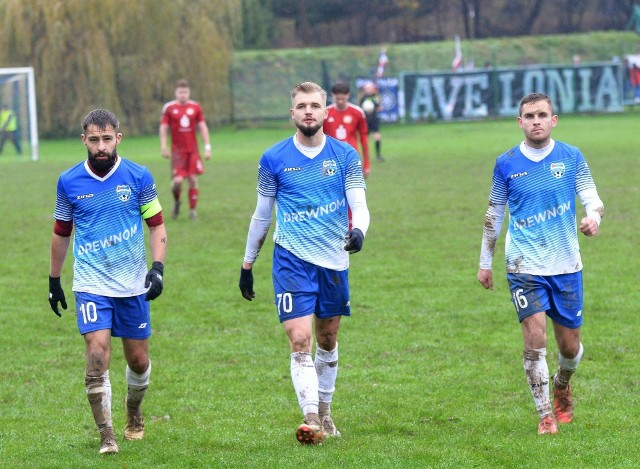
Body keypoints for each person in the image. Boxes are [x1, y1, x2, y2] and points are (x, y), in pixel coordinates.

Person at [238, 82, 370, 445]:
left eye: (315, 105)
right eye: (301, 105)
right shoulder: (274, 158)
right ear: (292, 113)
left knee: (327, 339)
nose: (308, 111)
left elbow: (358, 204)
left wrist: (358, 231)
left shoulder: (344, 156)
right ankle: (310, 417)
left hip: (333, 260)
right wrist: (247, 264)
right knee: (300, 338)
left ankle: (326, 413)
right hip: (291, 261)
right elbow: (262, 216)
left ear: (326, 112)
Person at [477, 93, 604, 435]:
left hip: (566, 266)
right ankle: (545, 415)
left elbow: (594, 200)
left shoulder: (571, 157)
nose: (536, 120)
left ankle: (563, 382)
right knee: (535, 339)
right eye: (529, 115)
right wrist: (484, 263)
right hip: (523, 266)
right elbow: (494, 214)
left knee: (570, 347)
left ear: (553, 120)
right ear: (519, 122)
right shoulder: (506, 163)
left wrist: (593, 218)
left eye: (542, 114)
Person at [48, 109, 167, 454]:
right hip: (90, 283)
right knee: (96, 352)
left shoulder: (139, 176)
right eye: (94, 140)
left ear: (119, 138)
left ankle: (134, 410)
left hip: (132, 285)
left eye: (107, 139)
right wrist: (54, 280)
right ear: (84, 141)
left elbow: (156, 225)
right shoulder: (69, 181)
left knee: (138, 361)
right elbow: (61, 232)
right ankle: (107, 436)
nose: (101, 146)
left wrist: (157, 268)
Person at [159, 79, 211, 219]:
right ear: (176, 92)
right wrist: (163, 146)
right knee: (177, 182)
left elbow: (202, 127)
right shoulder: (169, 108)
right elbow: (164, 129)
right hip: (177, 152)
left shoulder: (195, 107)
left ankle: (193, 211)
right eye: (180, 92)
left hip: (192, 151)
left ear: (189, 92)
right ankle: (177, 202)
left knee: (193, 179)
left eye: (185, 92)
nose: (183, 94)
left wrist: (207, 147)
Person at [323, 82, 371, 177]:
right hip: (331, 160)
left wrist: (366, 164)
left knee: (354, 189)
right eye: (337, 99)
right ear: (333, 95)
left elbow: (364, 139)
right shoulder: (325, 113)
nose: (340, 101)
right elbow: (320, 139)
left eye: (343, 98)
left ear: (348, 95)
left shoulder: (357, 112)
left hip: (351, 158)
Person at [359, 81, 384, 163]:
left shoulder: (375, 97)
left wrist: (378, 105)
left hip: (374, 119)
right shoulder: (363, 98)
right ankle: (365, 156)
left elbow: (380, 107)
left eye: (370, 88)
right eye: (367, 88)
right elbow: (360, 109)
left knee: (377, 136)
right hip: (366, 120)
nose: (369, 90)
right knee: (365, 139)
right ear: (365, 89)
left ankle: (378, 155)